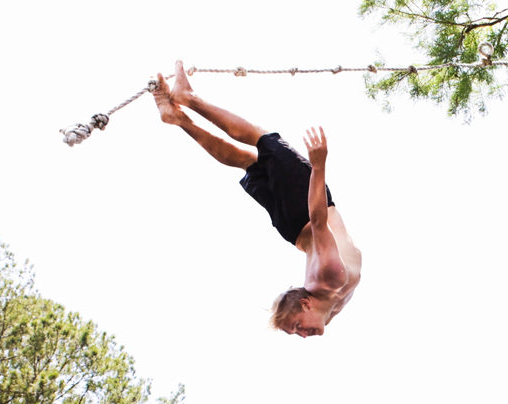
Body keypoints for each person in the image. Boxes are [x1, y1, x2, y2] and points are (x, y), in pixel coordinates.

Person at [152, 60, 362, 337]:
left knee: (261, 139)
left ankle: (186, 101)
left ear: (305, 302)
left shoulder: (329, 280)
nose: (301, 334)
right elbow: (318, 223)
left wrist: (319, 166)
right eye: (297, 328)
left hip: (303, 212)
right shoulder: (330, 302)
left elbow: (318, 218)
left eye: (295, 327)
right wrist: (318, 163)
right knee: (247, 160)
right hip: (292, 228)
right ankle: (178, 114)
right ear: (305, 303)